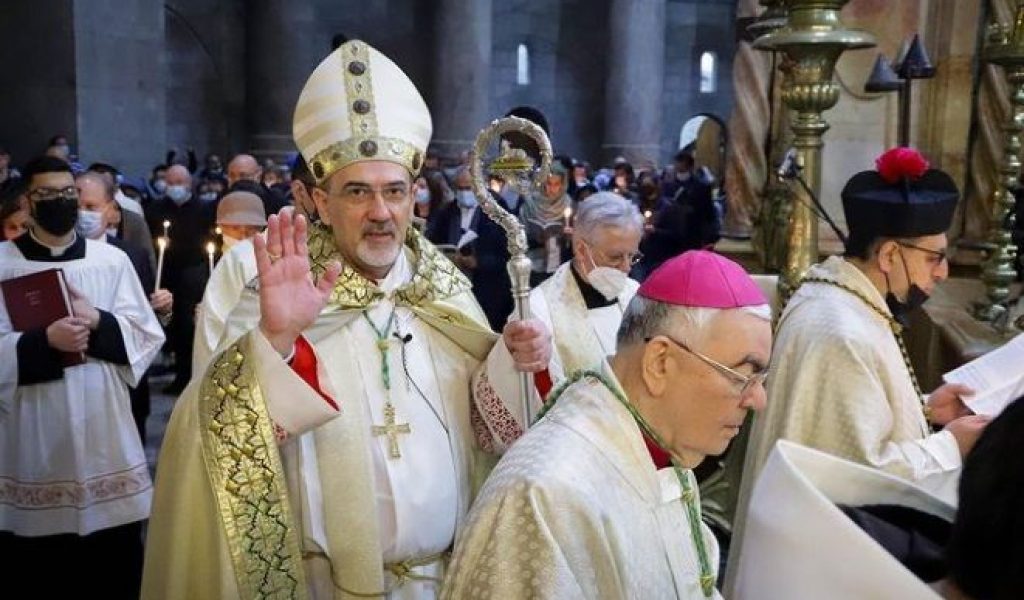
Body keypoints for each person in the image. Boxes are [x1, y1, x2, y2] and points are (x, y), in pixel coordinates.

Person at [142, 40, 550, 599]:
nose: (381, 212)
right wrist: (276, 344)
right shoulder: (272, 287)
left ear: (415, 199)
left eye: (395, 192)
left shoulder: (444, 291)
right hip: (320, 584)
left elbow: (488, 426)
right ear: (315, 199)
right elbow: (209, 436)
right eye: (358, 192)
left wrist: (515, 361)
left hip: (445, 578)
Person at [728, 148, 992, 590]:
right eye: (934, 257)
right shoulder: (840, 331)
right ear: (890, 254)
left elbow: (842, 418)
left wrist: (927, 410)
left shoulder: (845, 302)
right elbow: (857, 475)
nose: (944, 272)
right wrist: (951, 446)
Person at [443, 250, 771, 599]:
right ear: (660, 363)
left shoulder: (655, 449)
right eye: (743, 375)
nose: (758, 400)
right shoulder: (546, 498)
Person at [0, 156, 164, 598]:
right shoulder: (2, 264)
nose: (60, 201)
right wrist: (41, 342)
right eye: (47, 195)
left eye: (67, 193)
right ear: (28, 203)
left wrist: (99, 322)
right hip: (31, 430)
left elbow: (146, 335)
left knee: (112, 568)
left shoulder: (111, 261)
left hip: (103, 428)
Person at [473, 192, 643, 451]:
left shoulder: (635, 294)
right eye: (615, 257)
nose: (626, 267)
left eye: (633, 257)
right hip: (577, 450)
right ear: (581, 249)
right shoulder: (539, 308)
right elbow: (531, 402)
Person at [76, 171, 173, 440]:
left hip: (124, 378)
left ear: (111, 210)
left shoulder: (131, 255)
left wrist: (164, 309)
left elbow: (149, 319)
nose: (83, 214)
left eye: (91, 207)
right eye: (77, 207)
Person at [191, 190, 267, 375]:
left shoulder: (260, 260)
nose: (242, 235)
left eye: (250, 230)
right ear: (221, 227)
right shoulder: (205, 270)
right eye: (235, 228)